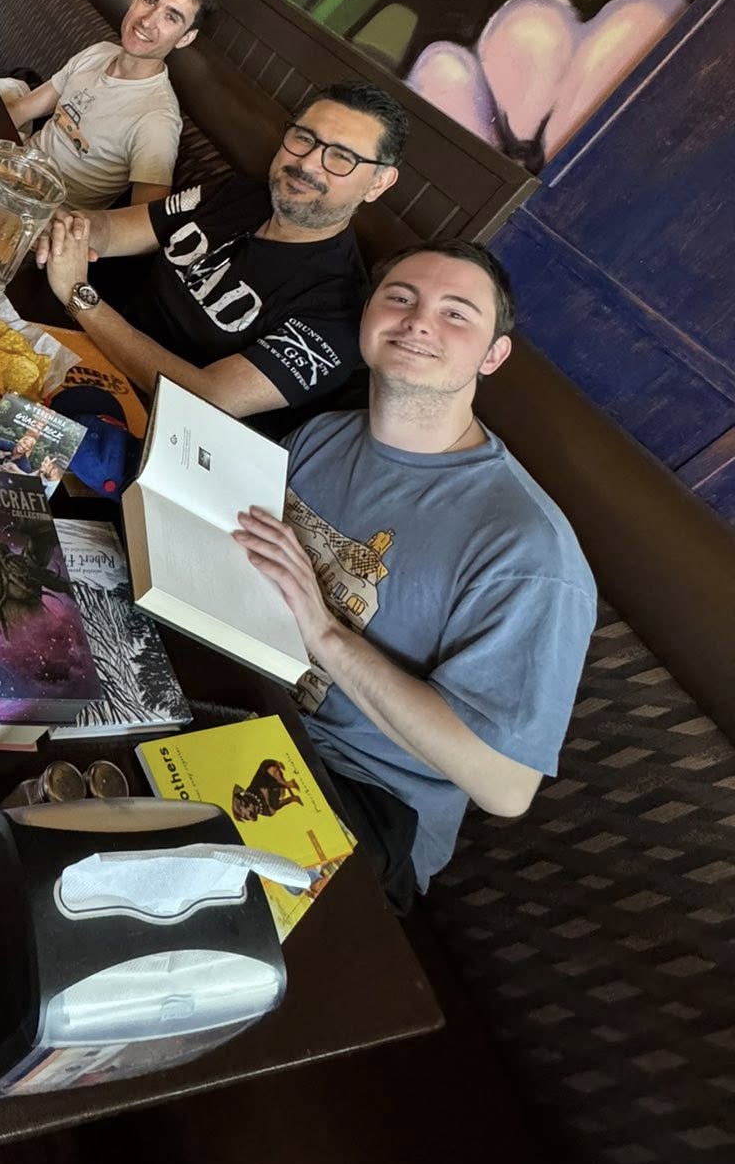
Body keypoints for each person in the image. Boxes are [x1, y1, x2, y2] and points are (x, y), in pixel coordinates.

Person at [232, 241, 596, 906]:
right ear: (368, 319)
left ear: (493, 356)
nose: (419, 321)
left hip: (357, 799)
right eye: (400, 297)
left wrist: (325, 631)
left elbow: (505, 787)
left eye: (456, 313)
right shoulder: (322, 435)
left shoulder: (529, 552)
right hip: (240, 700)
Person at [38, 81, 406, 434]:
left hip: (149, 428)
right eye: (304, 138)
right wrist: (58, 225)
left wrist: (79, 297)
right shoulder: (236, 193)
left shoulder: (338, 311)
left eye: (341, 157)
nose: (308, 164)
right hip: (81, 353)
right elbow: (113, 230)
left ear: (378, 183)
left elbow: (206, 395)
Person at [3, 0, 215, 209]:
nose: (148, 21)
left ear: (186, 38)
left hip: (42, 215)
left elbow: (144, 220)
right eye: (149, 0)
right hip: (11, 169)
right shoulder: (99, 52)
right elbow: (22, 109)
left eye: (171, 17)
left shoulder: (157, 120)